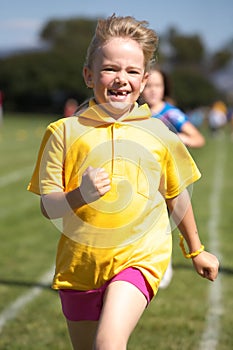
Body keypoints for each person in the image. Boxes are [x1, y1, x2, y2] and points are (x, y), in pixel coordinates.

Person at [27, 14, 219, 350]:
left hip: (138, 258)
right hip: (79, 266)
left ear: (144, 81)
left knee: (109, 344)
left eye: (132, 72)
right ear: (89, 75)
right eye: (110, 69)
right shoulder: (62, 133)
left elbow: (176, 195)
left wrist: (196, 250)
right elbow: (48, 205)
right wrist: (79, 195)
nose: (121, 79)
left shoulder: (160, 134)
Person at [140, 63, 206, 288]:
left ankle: (162, 263)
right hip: (140, 177)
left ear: (164, 87)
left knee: (160, 224)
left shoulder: (171, 113)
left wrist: (176, 139)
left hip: (167, 179)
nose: (152, 90)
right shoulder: (135, 113)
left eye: (157, 85)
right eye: (148, 85)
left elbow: (198, 139)